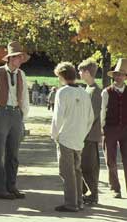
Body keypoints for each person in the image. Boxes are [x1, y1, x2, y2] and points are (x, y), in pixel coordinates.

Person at [0, 41, 30, 200]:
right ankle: (0, 189)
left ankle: (12, 186)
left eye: (21, 57)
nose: (20, 60)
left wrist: (23, 116)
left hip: (16, 114)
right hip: (0, 113)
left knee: (13, 154)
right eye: (17, 57)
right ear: (10, 58)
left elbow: (25, 97)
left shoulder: (21, 74)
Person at [51, 62, 94, 212]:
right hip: (78, 139)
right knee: (76, 171)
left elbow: (58, 117)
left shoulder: (62, 92)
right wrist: (83, 133)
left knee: (66, 172)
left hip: (66, 138)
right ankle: (79, 201)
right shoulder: (84, 93)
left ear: (62, 76)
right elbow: (90, 118)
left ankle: (71, 204)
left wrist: (55, 135)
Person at [101, 58, 127, 199]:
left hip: (126, 130)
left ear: (125, 77)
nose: (118, 77)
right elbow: (101, 112)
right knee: (110, 160)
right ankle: (115, 188)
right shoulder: (107, 92)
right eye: (117, 74)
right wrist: (101, 129)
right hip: (110, 129)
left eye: (121, 74)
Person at [77, 59, 102, 205]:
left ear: (87, 72)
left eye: (81, 71)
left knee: (89, 166)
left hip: (89, 135)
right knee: (83, 165)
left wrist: (82, 132)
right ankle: (85, 191)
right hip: (85, 134)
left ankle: (93, 195)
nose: (79, 73)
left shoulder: (95, 91)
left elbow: (92, 116)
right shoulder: (88, 88)